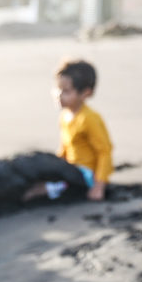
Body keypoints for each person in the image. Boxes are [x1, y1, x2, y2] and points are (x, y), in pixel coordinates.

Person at [23, 59, 114, 203]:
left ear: (85, 93)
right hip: (70, 168)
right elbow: (65, 147)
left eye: (66, 91)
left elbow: (105, 152)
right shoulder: (65, 115)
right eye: (58, 89)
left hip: (87, 174)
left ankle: (47, 189)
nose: (59, 95)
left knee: (55, 186)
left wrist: (99, 185)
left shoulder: (89, 118)